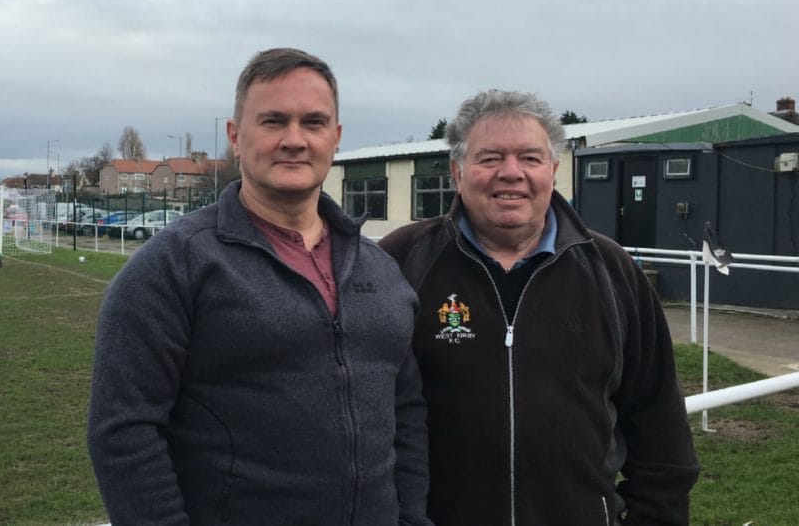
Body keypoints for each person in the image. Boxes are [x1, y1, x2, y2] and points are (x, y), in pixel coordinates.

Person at [88, 48, 430, 525]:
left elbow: (407, 411)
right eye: (273, 121)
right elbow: (123, 433)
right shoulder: (173, 266)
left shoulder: (379, 268)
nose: (295, 140)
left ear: (336, 138)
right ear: (236, 136)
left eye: (313, 123)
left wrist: (411, 517)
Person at [379, 89, 700, 525]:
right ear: (457, 171)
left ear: (552, 169)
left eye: (529, 158)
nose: (511, 173)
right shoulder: (403, 260)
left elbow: (659, 424)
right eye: (489, 158)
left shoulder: (611, 269)